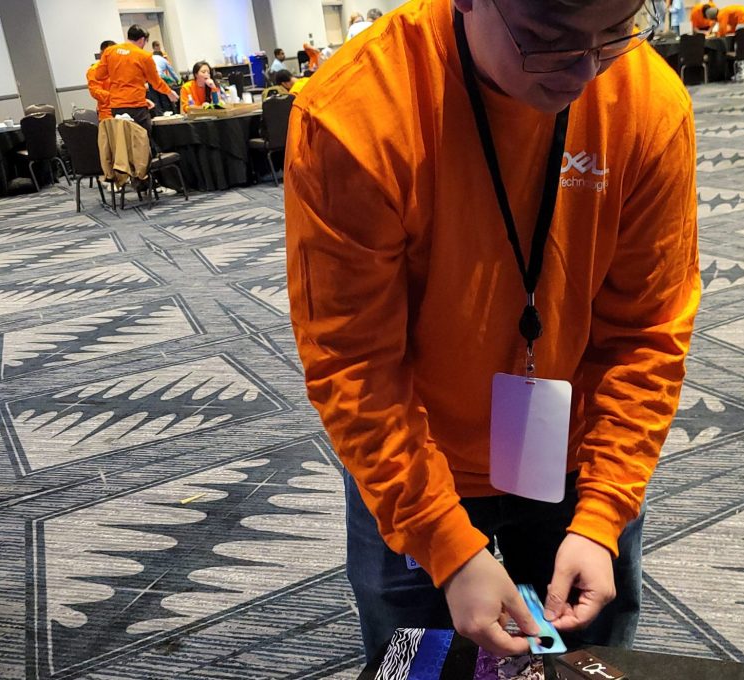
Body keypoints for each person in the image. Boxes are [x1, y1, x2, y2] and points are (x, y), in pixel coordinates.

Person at [284, 0, 699, 662]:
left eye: (615, 34)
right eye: (548, 39)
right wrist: (445, 545)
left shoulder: (645, 100)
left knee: (584, 658)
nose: (585, 70)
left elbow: (646, 334)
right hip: (413, 456)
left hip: (575, 453)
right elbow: (354, 365)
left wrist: (601, 517)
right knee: (412, 662)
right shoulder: (358, 113)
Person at [93, 24, 178, 133]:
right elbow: (155, 82)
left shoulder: (109, 51)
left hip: (117, 105)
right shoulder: (144, 56)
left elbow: (99, 76)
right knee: (142, 138)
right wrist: (169, 92)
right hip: (136, 105)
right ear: (142, 39)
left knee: (124, 140)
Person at [87, 40, 115, 121]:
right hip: (107, 114)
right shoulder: (94, 70)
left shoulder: (118, 67)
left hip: (125, 110)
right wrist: (116, 96)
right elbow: (95, 91)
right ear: (102, 53)